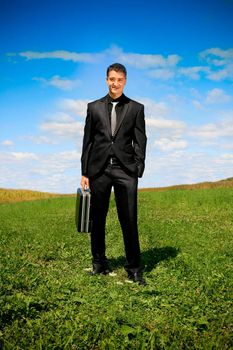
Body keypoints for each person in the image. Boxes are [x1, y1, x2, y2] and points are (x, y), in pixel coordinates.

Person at [81, 63, 147, 285]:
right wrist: (84, 171)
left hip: (125, 171)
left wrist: (138, 167)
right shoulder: (93, 107)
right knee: (97, 220)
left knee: (129, 220)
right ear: (106, 80)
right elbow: (87, 141)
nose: (115, 83)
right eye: (111, 79)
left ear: (125, 81)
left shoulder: (136, 108)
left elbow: (140, 140)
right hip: (98, 170)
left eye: (119, 79)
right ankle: (99, 264)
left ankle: (134, 269)